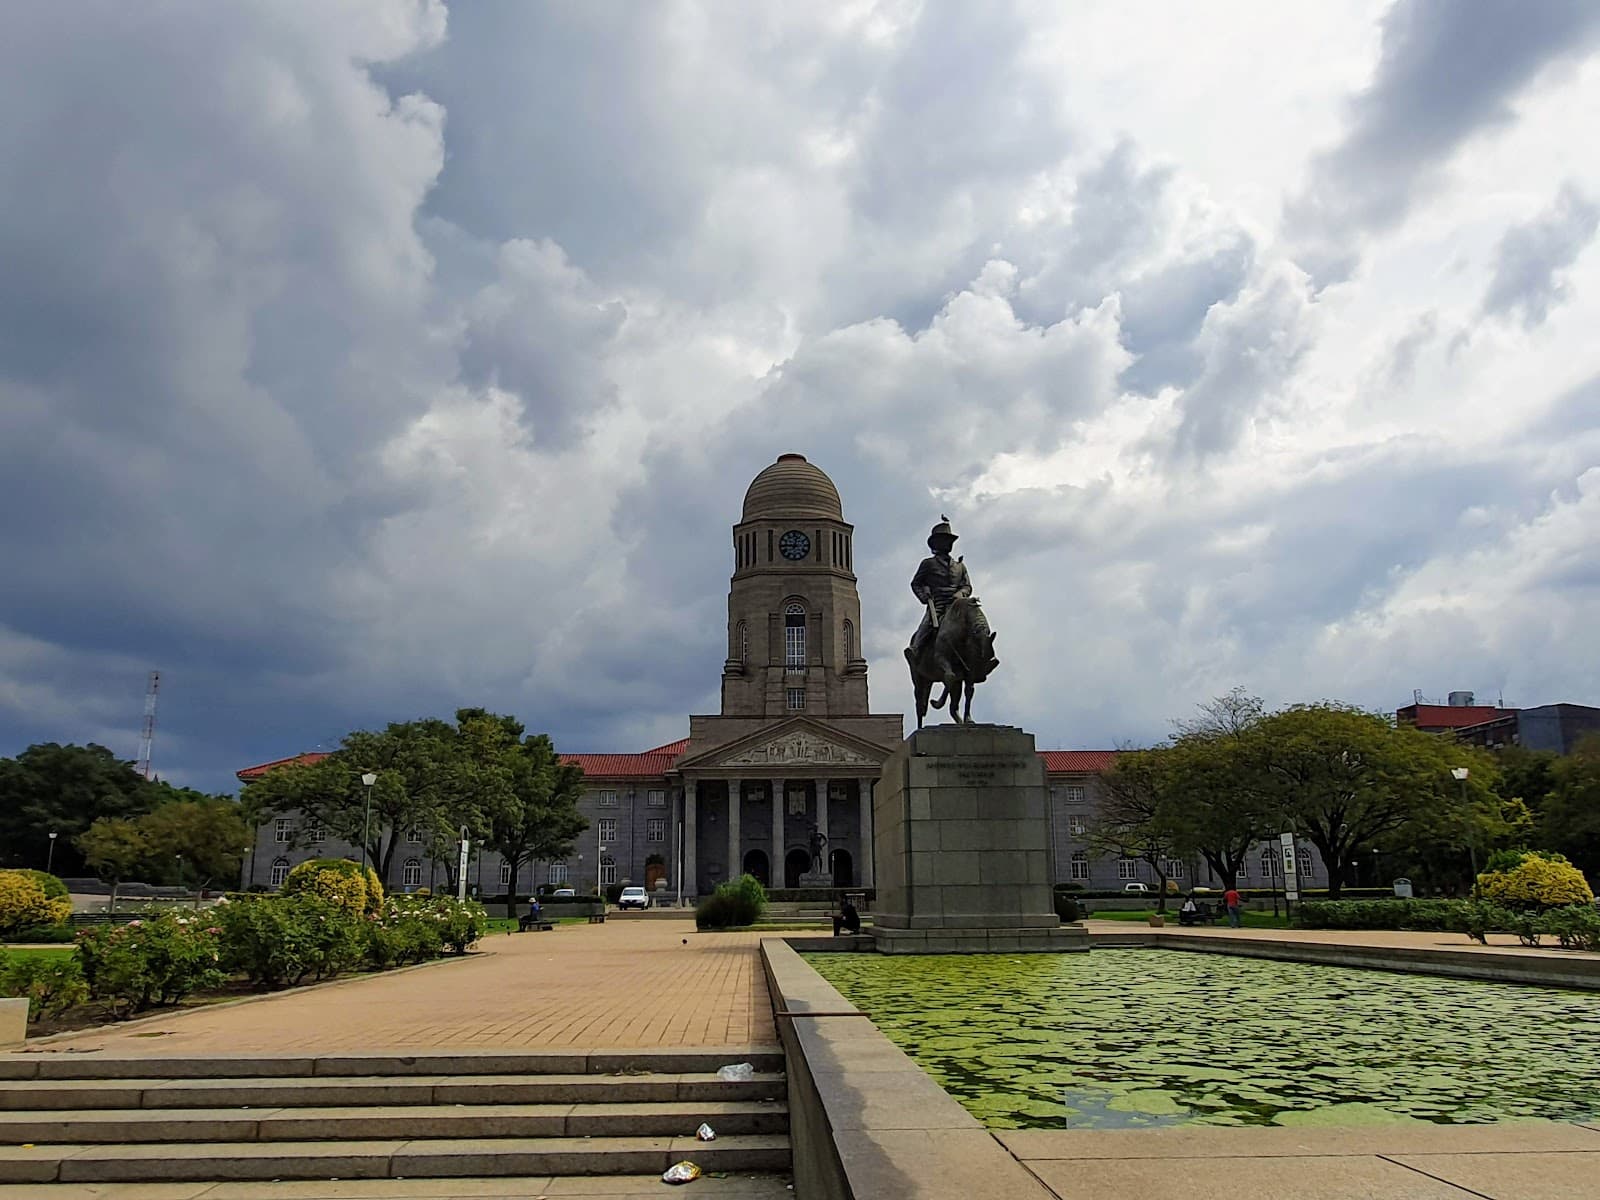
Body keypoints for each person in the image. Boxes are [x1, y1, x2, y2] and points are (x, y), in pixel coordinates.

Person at [906, 518, 972, 663]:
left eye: (949, 541)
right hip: (938, 603)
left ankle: (984, 655)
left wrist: (960, 594)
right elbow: (916, 583)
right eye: (944, 540)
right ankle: (916, 648)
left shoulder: (960, 566)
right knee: (928, 622)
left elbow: (967, 586)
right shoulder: (928, 563)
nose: (948, 543)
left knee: (975, 620)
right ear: (937, 543)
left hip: (958, 603)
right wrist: (924, 597)